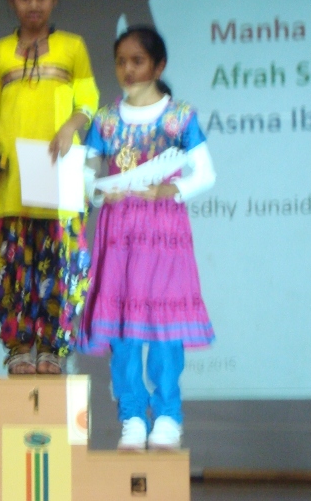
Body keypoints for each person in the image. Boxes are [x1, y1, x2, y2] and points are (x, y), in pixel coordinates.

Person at [77, 25, 216, 450]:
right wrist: (99, 191)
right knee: (123, 327)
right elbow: (85, 176)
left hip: (164, 232)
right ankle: (132, 417)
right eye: (121, 61)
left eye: (137, 61)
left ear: (159, 66)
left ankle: (168, 416)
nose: (128, 69)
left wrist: (170, 190)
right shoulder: (105, 119)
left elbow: (206, 174)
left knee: (164, 325)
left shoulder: (179, 117)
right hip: (119, 233)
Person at [0, 0, 99, 375]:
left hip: (55, 168)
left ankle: (51, 345)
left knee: (60, 262)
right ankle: (17, 346)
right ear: (12, 0)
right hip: (12, 173)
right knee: (10, 263)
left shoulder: (72, 46)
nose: (34, 5)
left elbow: (89, 100)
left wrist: (70, 127)